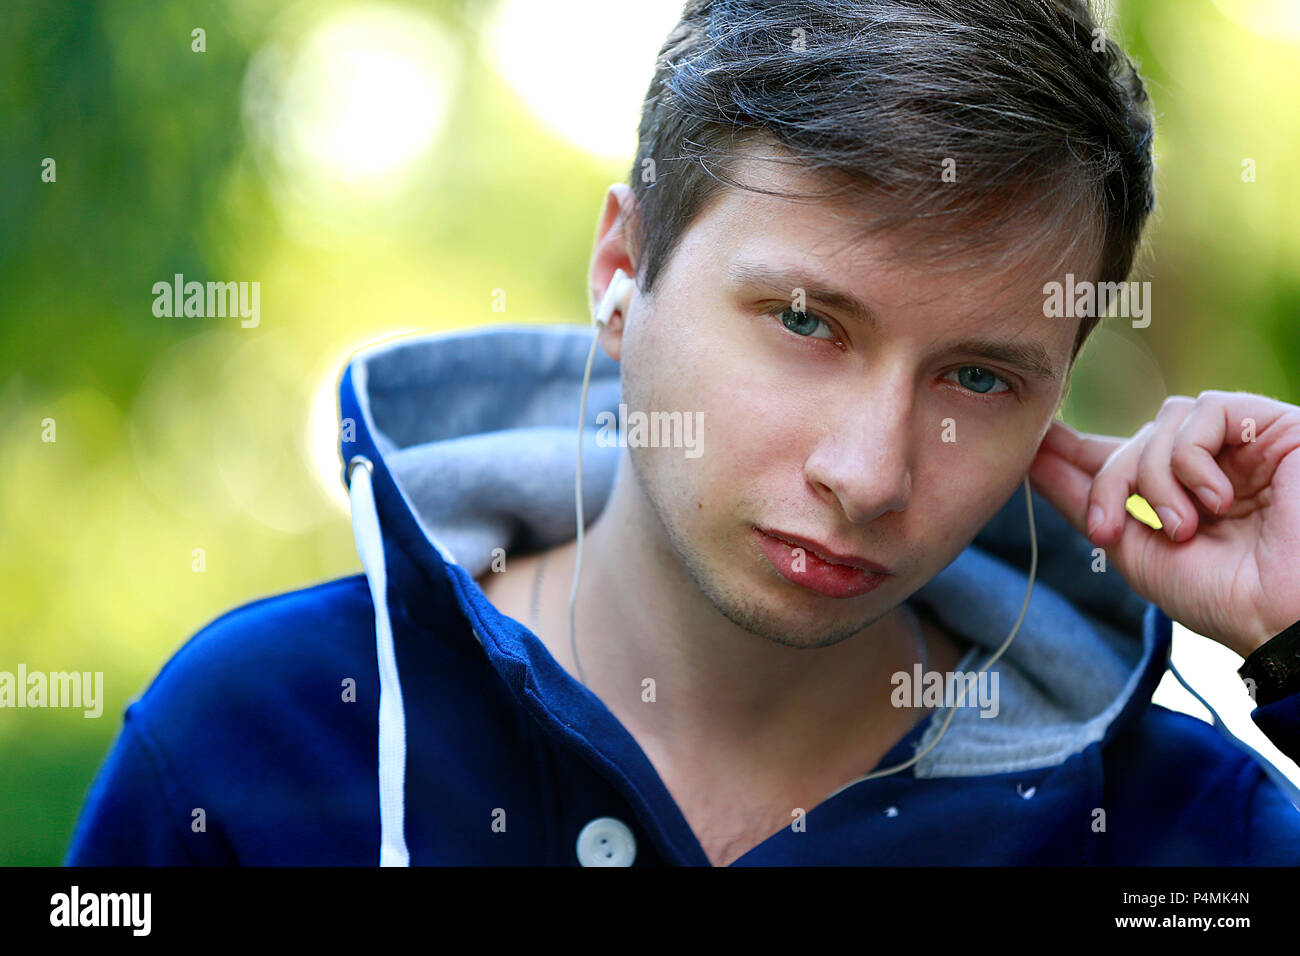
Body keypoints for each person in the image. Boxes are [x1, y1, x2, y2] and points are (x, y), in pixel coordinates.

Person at [67, 0, 1300, 866]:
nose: (867, 473)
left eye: (977, 377)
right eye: (807, 321)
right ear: (623, 264)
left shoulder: (1189, 834)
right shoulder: (249, 741)